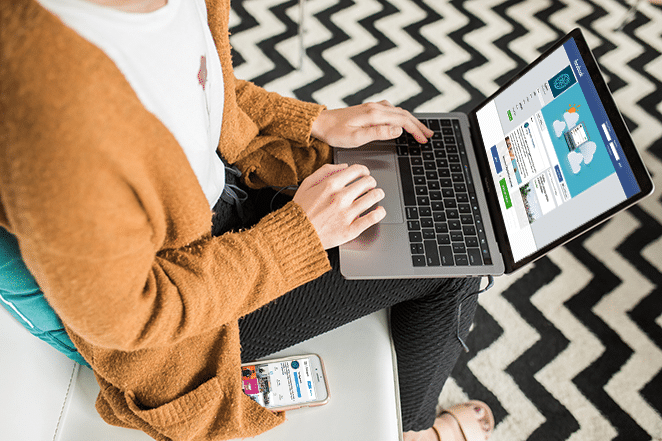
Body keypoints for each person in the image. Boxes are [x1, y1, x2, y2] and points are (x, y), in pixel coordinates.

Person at [0, 0, 494, 440]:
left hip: (220, 197)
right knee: (454, 259)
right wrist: (300, 236)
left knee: (414, 181)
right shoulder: (51, 117)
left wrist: (314, 123)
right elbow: (136, 318)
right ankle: (415, 433)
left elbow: (198, 81)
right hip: (183, 331)